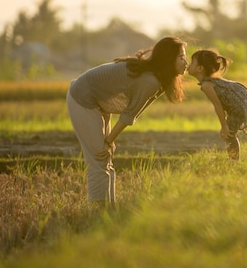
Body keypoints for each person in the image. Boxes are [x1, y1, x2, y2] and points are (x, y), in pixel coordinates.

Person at [66, 36, 187, 207]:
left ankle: (110, 210)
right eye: (181, 57)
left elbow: (135, 111)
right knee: (99, 158)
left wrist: (110, 141)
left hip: (98, 102)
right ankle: (98, 213)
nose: (186, 62)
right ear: (169, 59)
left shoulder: (159, 80)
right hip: (82, 97)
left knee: (106, 156)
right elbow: (129, 115)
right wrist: (108, 140)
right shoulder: (150, 80)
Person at [187, 49, 247, 160]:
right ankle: (234, 160)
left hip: (238, 103)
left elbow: (218, 105)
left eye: (192, 62)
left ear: (200, 68)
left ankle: (234, 161)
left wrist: (224, 126)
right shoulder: (209, 82)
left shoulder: (207, 85)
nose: (189, 65)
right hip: (240, 98)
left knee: (229, 134)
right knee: (229, 134)